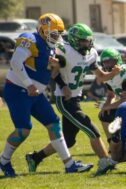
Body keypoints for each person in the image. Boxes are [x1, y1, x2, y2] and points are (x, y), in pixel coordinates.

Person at [0, 14, 93, 177]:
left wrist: (55, 67)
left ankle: (69, 164)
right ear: (43, 31)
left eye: (58, 34)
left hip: (35, 93)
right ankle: (4, 160)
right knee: (23, 130)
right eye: (54, 34)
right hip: (17, 89)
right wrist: (29, 84)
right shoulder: (30, 39)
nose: (56, 38)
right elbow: (15, 62)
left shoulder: (50, 47)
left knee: (54, 124)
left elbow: (48, 74)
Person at [25, 23, 121, 176]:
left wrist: (114, 73)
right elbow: (54, 72)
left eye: (88, 40)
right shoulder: (64, 49)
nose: (87, 43)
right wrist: (63, 86)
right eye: (83, 41)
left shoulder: (91, 54)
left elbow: (101, 77)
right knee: (92, 129)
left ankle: (35, 157)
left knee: (68, 140)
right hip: (64, 99)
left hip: (75, 99)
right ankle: (104, 160)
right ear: (75, 40)